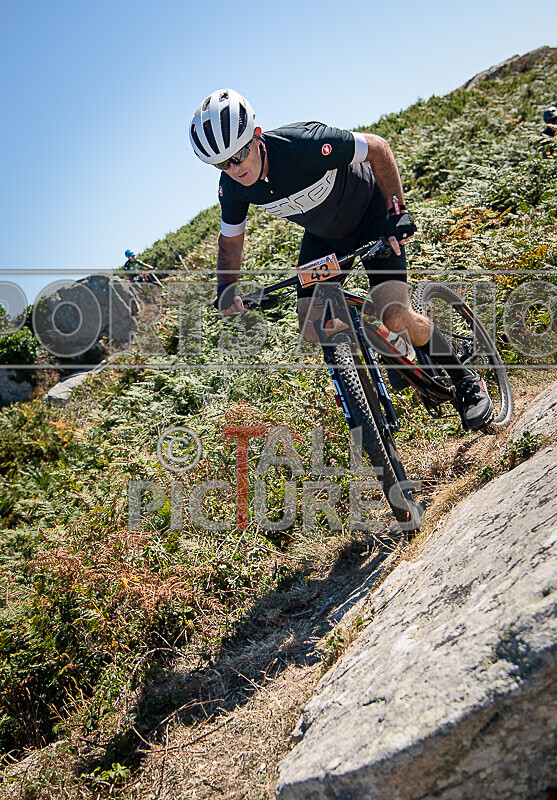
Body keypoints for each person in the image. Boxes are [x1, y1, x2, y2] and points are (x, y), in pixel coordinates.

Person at [189, 88, 493, 431]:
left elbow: (378, 148)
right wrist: (226, 287)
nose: (234, 168)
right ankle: (369, 363)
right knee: (310, 322)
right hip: (325, 237)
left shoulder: (304, 143)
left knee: (393, 314)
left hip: (371, 215)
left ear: (256, 137)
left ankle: (465, 380)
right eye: (221, 163)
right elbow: (231, 239)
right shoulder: (232, 187)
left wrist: (397, 212)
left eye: (239, 155)